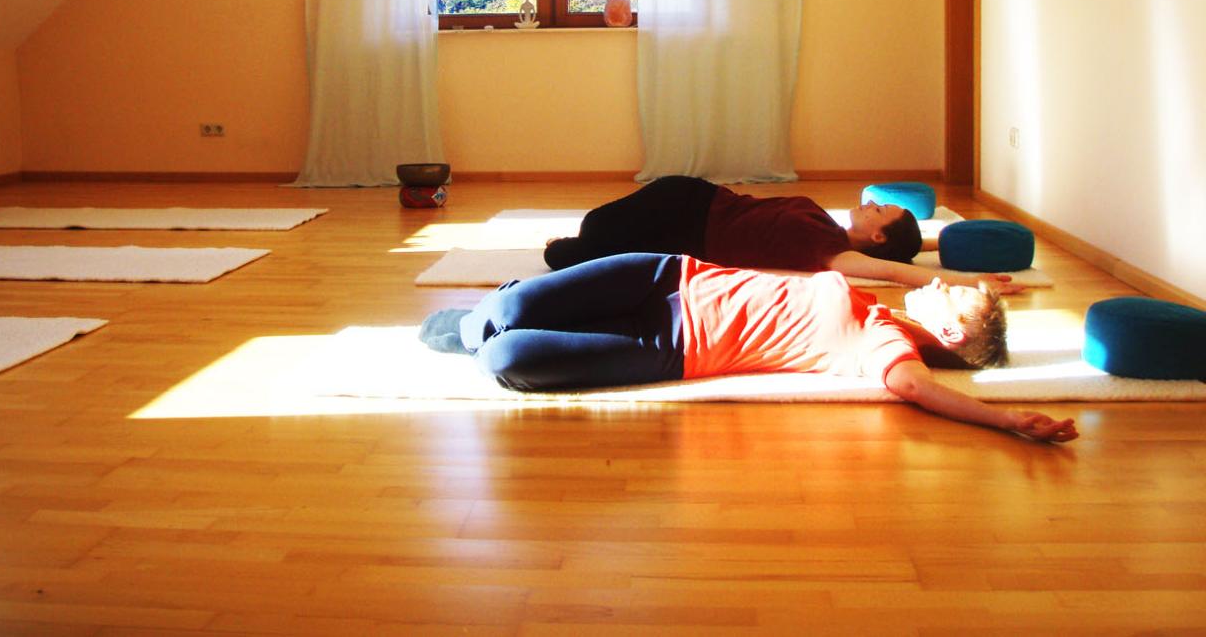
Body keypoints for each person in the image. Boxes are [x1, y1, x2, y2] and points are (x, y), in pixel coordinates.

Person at [419, 254, 1077, 443]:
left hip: (670, 345)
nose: (939, 284)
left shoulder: (887, 344)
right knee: (506, 309)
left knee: (507, 360)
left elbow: (914, 389)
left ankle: (480, 332)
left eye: (952, 297)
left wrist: (1007, 419)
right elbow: (897, 265)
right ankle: (484, 319)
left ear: (953, 336)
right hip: (669, 275)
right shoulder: (877, 305)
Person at [542, 175, 1023, 295]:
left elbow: (896, 271)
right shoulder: (830, 227)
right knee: (594, 228)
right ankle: (580, 249)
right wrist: (944, 246)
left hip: (685, 228)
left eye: (878, 210)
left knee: (587, 239)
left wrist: (968, 283)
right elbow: (916, 248)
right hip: (691, 198)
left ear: (878, 237)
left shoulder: (832, 253)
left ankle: (575, 253)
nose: (869, 202)